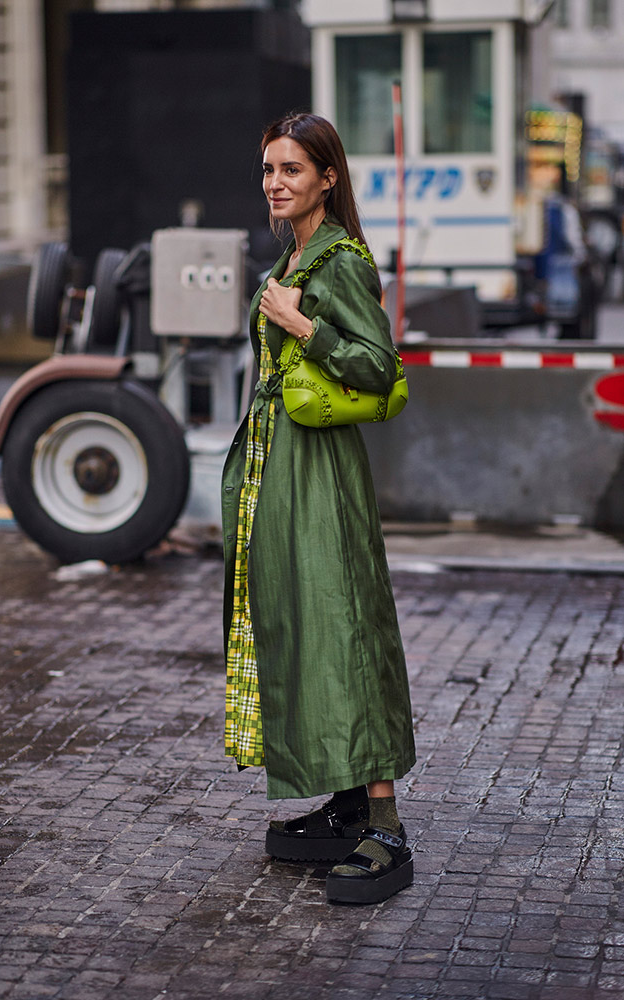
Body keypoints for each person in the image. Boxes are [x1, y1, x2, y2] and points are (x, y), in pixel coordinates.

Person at [221, 111, 416, 905]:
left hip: (322, 474)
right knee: (300, 627)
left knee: (344, 627)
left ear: (327, 178)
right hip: (281, 471)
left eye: (291, 169)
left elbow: (378, 364)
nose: (276, 182)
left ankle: (386, 827)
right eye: (269, 169)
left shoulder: (338, 260)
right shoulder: (291, 252)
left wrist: (303, 324)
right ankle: (341, 803)